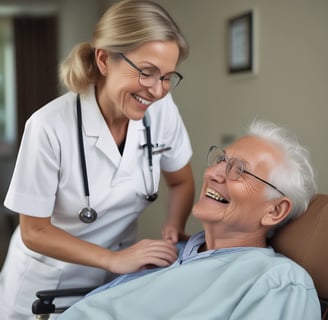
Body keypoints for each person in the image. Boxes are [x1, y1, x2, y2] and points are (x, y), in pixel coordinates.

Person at [0, 0, 195, 319]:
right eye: (147, 72)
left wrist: (173, 228)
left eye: (167, 77)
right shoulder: (49, 126)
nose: (158, 91)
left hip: (117, 279)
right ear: (104, 59)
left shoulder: (161, 110)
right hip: (47, 286)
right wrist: (112, 259)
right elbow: (33, 230)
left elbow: (181, 180)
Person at [58, 119, 321, 320]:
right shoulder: (171, 253)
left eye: (239, 170)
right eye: (221, 159)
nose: (214, 173)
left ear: (274, 211)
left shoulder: (278, 281)